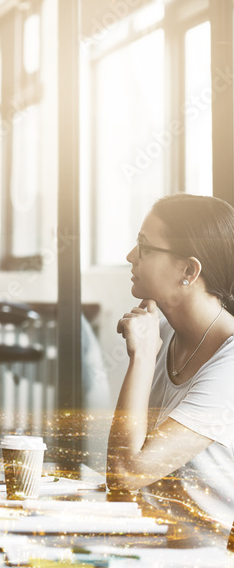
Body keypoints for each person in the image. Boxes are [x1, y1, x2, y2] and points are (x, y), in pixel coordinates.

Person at [108, 194, 234, 527]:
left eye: (144, 246)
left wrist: (144, 356)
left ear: (189, 270)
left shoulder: (230, 363)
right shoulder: (161, 332)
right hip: (154, 555)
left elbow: (124, 474)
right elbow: (122, 486)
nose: (131, 256)